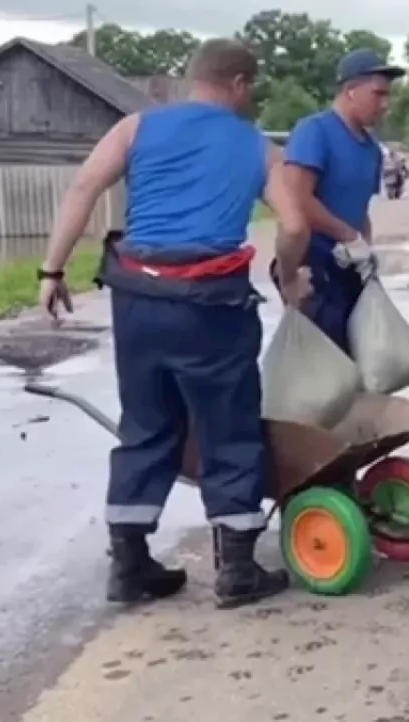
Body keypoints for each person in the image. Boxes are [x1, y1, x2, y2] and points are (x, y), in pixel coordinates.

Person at [36, 38, 311, 610]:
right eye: (250, 87)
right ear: (238, 84)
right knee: (227, 426)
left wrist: (51, 270)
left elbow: (84, 187)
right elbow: (293, 223)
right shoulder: (257, 148)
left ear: (194, 79)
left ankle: (130, 567)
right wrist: (288, 277)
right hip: (212, 305)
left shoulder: (135, 128)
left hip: (137, 297)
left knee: (147, 424)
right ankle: (236, 570)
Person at [275, 48, 406, 352]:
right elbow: (296, 199)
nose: (385, 105)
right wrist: (346, 235)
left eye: (388, 96)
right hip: (313, 267)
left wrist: (367, 250)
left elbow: (360, 210)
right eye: (378, 94)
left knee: (357, 357)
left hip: (349, 266)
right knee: (322, 366)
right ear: (350, 90)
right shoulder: (314, 132)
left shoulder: (371, 148)